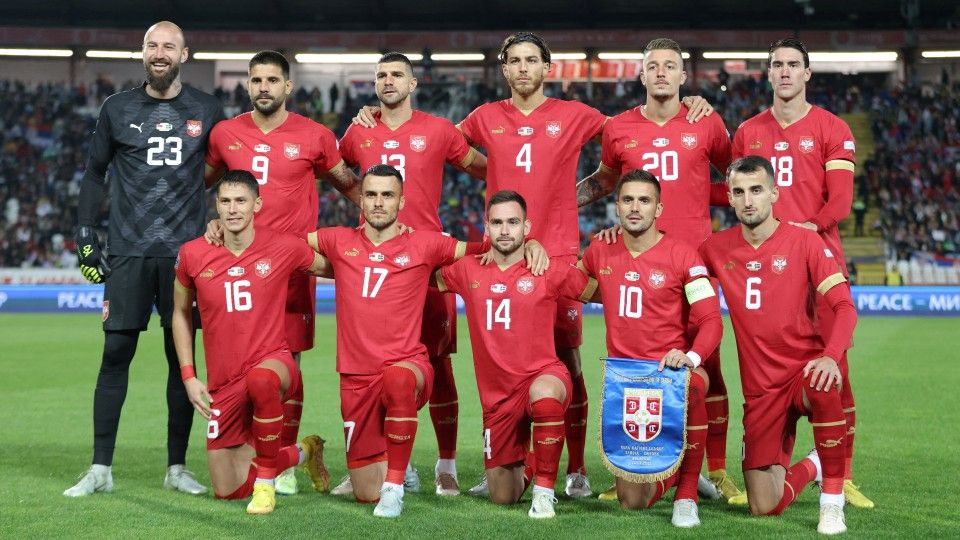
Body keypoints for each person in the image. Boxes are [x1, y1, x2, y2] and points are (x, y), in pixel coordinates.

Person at [576, 37, 741, 502]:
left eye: (671, 66)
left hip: (696, 259)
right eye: (654, 66)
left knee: (707, 367)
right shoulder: (619, 128)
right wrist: (559, 207)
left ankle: (717, 470)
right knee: (639, 365)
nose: (662, 73)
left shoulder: (705, 119)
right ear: (642, 75)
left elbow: (734, 179)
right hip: (637, 257)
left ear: (684, 77)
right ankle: (639, 461)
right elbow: (606, 184)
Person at [66, 20, 225, 497]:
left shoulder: (207, 108)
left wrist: (220, 219)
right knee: (115, 354)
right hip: (129, 252)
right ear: (142, 53)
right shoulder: (117, 108)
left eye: (168, 46)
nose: (160, 53)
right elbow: (94, 175)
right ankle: (100, 469)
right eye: (152, 45)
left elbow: (230, 170)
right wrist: (84, 231)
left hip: (186, 257)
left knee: (181, 362)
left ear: (185, 54)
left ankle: (177, 468)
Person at [204, 50, 361, 495]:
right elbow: (202, 183)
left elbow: (348, 184)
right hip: (237, 266)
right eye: (257, 80)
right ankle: (254, 450)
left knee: (287, 361)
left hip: (291, 270)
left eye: (273, 80)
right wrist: (210, 221)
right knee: (238, 363)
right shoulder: (225, 134)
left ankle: (285, 458)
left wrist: (375, 228)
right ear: (248, 85)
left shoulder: (314, 136)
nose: (264, 88)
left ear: (288, 87)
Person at [336, 52, 488, 497]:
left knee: (438, 363)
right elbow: (339, 173)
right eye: (381, 75)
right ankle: (374, 461)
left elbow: (486, 169)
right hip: (377, 262)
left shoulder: (439, 130)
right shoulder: (358, 129)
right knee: (370, 365)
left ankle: (446, 465)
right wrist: (365, 211)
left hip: (430, 263)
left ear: (413, 83)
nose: (388, 81)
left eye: (396, 74)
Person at [731, 38, 871, 509]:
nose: (785, 72)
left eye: (794, 65)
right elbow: (734, 191)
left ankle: (842, 474)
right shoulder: (748, 131)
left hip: (818, 260)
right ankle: (777, 462)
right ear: (768, 74)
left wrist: (804, 230)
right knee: (773, 365)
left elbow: (841, 202)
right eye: (777, 65)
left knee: (836, 373)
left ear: (807, 73)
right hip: (768, 270)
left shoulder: (831, 127)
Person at [305, 164, 482, 518]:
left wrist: (532, 241)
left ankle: (395, 487)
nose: (379, 202)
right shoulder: (338, 241)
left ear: (402, 201)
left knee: (398, 380)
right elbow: (285, 241)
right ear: (360, 200)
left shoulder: (425, 242)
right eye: (371, 194)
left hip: (408, 367)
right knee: (363, 492)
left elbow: (479, 249)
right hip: (356, 379)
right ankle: (382, 470)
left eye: (388, 195)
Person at [699, 156, 857, 536]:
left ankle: (832, 504)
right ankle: (813, 464)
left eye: (756, 190)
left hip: (803, 374)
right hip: (761, 392)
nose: (748, 200)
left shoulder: (805, 240)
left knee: (823, 383)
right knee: (763, 507)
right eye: (738, 192)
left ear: (774, 193)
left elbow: (844, 306)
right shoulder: (714, 249)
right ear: (730, 199)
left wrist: (830, 357)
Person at [172, 170, 331, 514]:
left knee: (261, 380)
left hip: (274, 364)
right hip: (224, 382)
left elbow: (338, 266)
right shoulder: (192, 255)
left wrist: (383, 246)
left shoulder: (283, 246)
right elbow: (181, 314)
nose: (233, 209)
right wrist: (188, 376)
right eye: (225, 201)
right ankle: (306, 450)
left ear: (257, 204)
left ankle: (266, 487)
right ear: (216, 205)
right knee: (228, 490)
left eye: (241, 200)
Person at [435, 190, 595, 519]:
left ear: (526, 227)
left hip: (544, 375)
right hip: (498, 400)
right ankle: (536, 459)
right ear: (486, 228)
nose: (505, 230)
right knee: (502, 496)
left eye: (512, 222)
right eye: (497, 223)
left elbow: (601, 290)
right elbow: (414, 272)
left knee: (545, 397)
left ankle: (545, 492)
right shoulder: (467, 271)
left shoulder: (547, 269)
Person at [578, 170, 722, 527]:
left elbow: (711, 321)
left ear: (659, 208)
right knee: (632, 502)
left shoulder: (683, 255)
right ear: (617, 207)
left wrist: (689, 357)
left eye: (644, 200)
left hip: (667, 374)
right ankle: (680, 473)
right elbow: (573, 285)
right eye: (627, 200)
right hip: (626, 380)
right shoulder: (600, 250)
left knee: (696, 384)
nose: (635, 208)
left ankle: (687, 492)